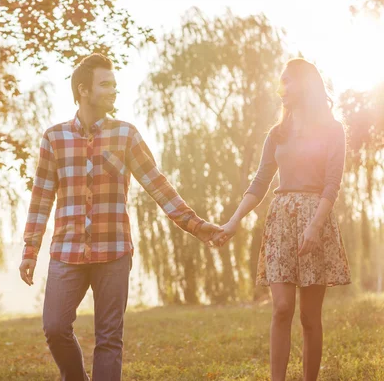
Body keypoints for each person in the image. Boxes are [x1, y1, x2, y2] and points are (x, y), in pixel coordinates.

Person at [19, 53, 222, 381]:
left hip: (113, 252)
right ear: (83, 91)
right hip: (66, 253)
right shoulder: (54, 138)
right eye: (105, 84)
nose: (114, 90)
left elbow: (158, 185)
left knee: (109, 338)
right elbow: (41, 198)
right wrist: (30, 251)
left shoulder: (126, 135)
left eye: (114, 84)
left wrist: (196, 225)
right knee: (55, 327)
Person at [213, 58, 351, 381]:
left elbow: (332, 183)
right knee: (282, 308)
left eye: (287, 82)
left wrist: (315, 225)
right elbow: (260, 183)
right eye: (280, 82)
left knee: (309, 316)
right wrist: (232, 221)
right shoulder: (277, 135)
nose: (281, 89)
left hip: (317, 219)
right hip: (281, 222)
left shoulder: (333, 130)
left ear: (305, 85)